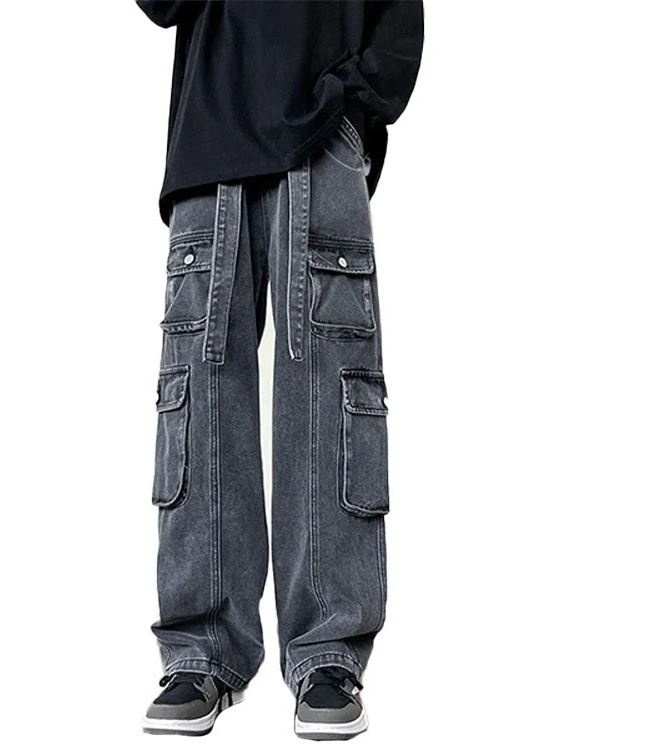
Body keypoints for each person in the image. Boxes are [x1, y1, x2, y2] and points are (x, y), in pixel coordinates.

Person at [135, 0, 423, 739]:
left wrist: (355, 100)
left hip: (323, 138)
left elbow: (399, 15)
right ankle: (200, 649)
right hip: (210, 138)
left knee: (332, 386)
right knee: (200, 392)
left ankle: (328, 651)